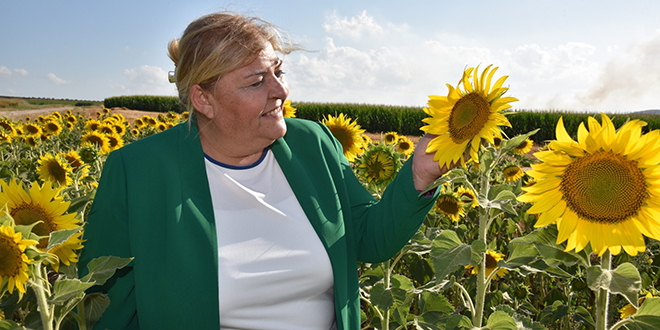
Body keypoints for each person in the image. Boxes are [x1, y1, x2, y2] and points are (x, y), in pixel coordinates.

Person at [79, 11, 452, 330]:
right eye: (256, 81)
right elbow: (105, 301)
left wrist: (418, 176)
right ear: (203, 99)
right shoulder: (138, 172)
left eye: (278, 71)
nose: (280, 90)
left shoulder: (313, 145)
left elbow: (369, 239)